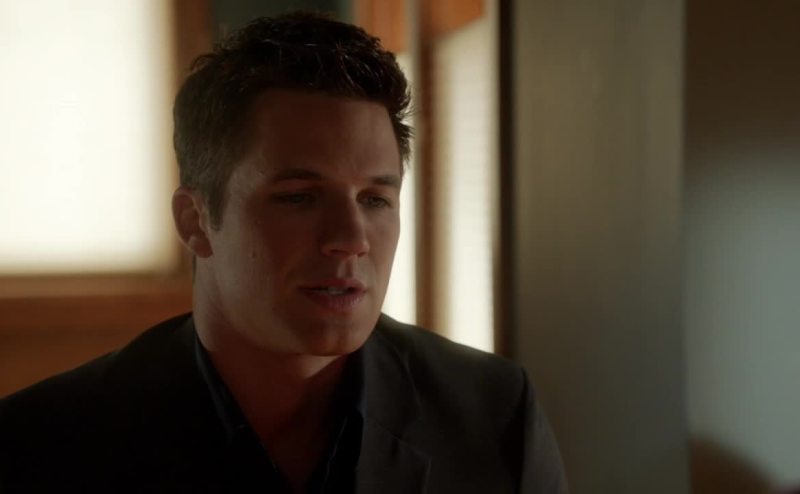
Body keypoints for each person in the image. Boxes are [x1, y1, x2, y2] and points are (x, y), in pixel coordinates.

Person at [0, 12, 566, 493]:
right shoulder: (44, 444)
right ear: (195, 221)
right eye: (299, 197)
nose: (350, 237)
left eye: (375, 199)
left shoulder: (491, 414)